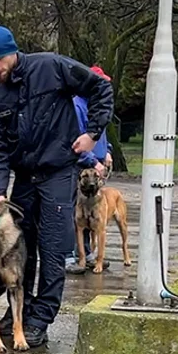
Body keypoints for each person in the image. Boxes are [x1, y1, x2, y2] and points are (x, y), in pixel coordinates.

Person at [0, 26, 114, 347]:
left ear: (13, 52)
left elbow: (100, 89)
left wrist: (93, 134)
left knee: (52, 250)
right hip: (25, 177)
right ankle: (17, 313)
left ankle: (41, 317)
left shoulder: (50, 68)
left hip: (57, 172)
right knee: (19, 250)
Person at [66, 64, 115, 274]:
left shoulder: (96, 105)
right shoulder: (77, 106)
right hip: (83, 168)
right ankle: (72, 256)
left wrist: (108, 152)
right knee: (76, 214)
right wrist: (92, 162)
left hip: (98, 165)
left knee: (93, 213)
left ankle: (88, 254)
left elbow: (101, 132)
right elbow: (75, 138)